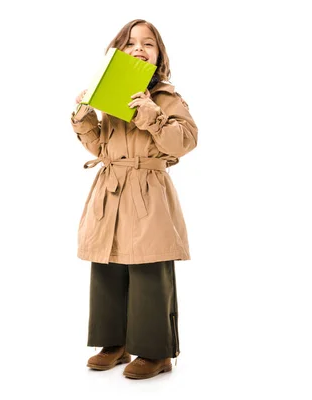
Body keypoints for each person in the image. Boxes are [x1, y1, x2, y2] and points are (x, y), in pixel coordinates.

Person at [70, 19, 198, 380]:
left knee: (147, 268)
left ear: (159, 56)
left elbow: (184, 142)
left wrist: (153, 117)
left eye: (148, 44)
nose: (138, 48)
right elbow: (101, 147)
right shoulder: (110, 95)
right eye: (129, 43)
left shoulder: (165, 97)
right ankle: (114, 343)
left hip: (147, 190)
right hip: (111, 188)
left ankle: (156, 353)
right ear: (116, 52)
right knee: (107, 265)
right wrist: (84, 119)